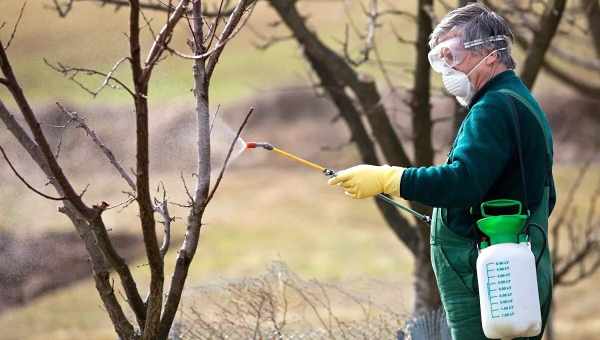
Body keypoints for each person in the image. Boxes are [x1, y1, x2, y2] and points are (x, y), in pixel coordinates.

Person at [328, 3, 556, 340]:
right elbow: (540, 195)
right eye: (440, 59)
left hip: (494, 284)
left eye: (452, 55)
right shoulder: (515, 101)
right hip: (509, 277)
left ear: (490, 54)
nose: (446, 68)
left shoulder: (493, 108)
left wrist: (389, 178)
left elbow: (462, 182)